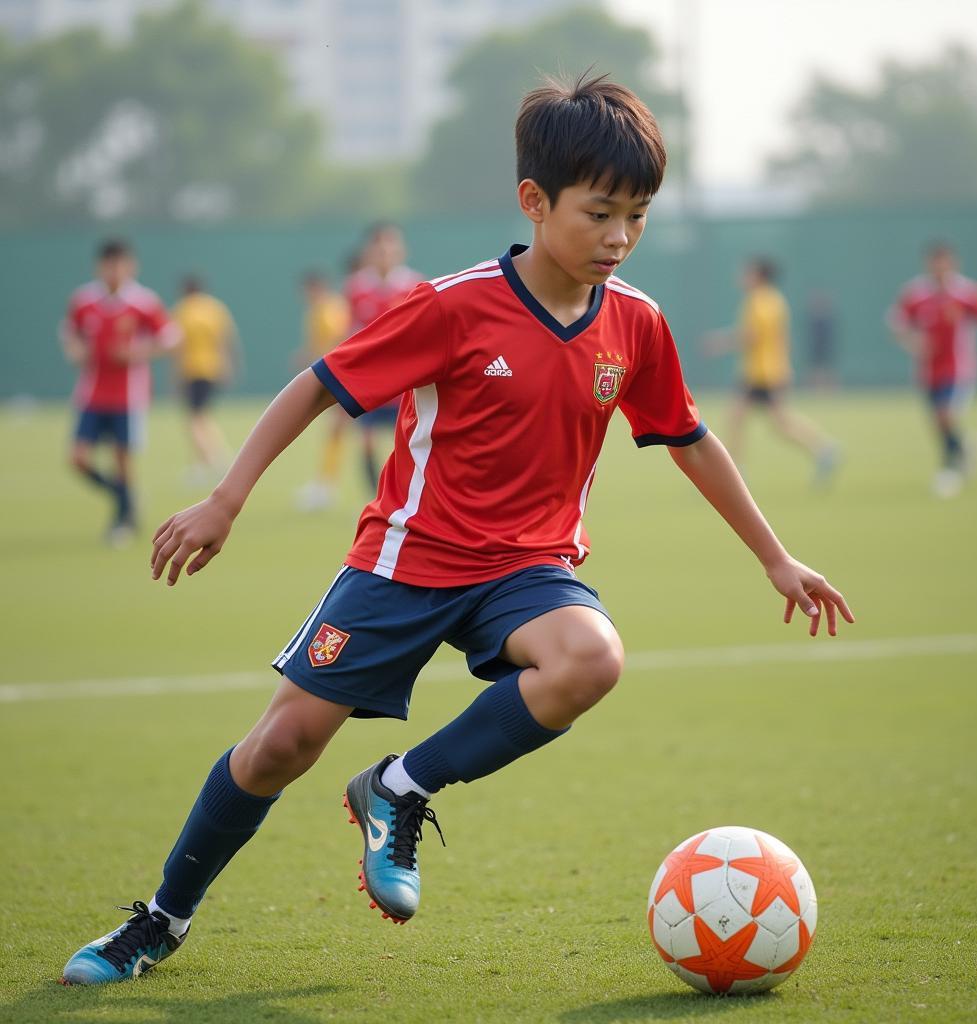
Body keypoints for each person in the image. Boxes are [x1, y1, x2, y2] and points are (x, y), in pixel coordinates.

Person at [61, 74, 853, 985]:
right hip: (406, 562)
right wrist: (227, 498)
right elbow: (321, 381)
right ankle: (160, 919)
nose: (620, 237)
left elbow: (688, 437)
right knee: (281, 747)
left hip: (528, 570)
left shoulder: (636, 322)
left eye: (638, 216)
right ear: (534, 201)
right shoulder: (456, 305)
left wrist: (776, 557)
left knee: (591, 656)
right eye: (600, 214)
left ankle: (399, 788)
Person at [61, 238, 178, 546]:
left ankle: (123, 518)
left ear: (131, 266)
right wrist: (75, 350)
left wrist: (138, 351)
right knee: (78, 458)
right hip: (91, 393)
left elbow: (170, 338)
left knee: (122, 460)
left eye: (120, 264)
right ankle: (126, 498)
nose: (114, 270)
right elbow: (69, 332)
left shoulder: (143, 302)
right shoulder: (84, 300)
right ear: (100, 266)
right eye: (109, 264)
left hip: (127, 395)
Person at [889, 241, 977, 498]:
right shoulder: (916, 293)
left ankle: (949, 470)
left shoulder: (967, 292)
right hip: (928, 371)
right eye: (934, 263)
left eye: (944, 262)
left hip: (959, 368)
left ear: (953, 263)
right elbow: (896, 325)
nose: (939, 268)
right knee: (938, 423)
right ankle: (965, 447)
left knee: (945, 415)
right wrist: (913, 342)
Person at [704, 258, 839, 484]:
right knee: (756, 420)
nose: (742, 276)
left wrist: (720, 342)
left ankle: (823, 450)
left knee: (758, 421)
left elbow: (751, 336)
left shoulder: (759, 301)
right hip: (768, 371)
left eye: (747, 272)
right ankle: (823, 450)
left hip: (762, 374)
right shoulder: (775, 300)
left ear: (759, 276)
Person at [343, 223, 423, 489]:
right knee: (365, 439)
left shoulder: (414, 285)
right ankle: (373, 495)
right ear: (368, 252)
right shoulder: (357, 288)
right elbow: (351, 331)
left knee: (404, 440)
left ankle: (404, 491)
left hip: (403, 382)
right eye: (378, 247)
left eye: (390, 245)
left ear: (401, 250)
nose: (385, 252)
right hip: (369, 380)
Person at [294, 271, 351, 510]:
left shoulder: (328, 309)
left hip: (341, 375)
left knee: (338, 429)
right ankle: (325, 484)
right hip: (335, 374)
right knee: (336, 430)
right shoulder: (319, 310)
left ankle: (325, 487)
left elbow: (341, 338)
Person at [173, 275, 239, 484]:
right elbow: (227, 338)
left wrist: (175, 375)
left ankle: (215, 461)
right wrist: (229, 365)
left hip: (192, 369)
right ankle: (205, 463)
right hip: (213, 367)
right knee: (202, 416)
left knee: (194, 419)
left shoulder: (182, 310)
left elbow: (177, 345)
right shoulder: (215, 309)